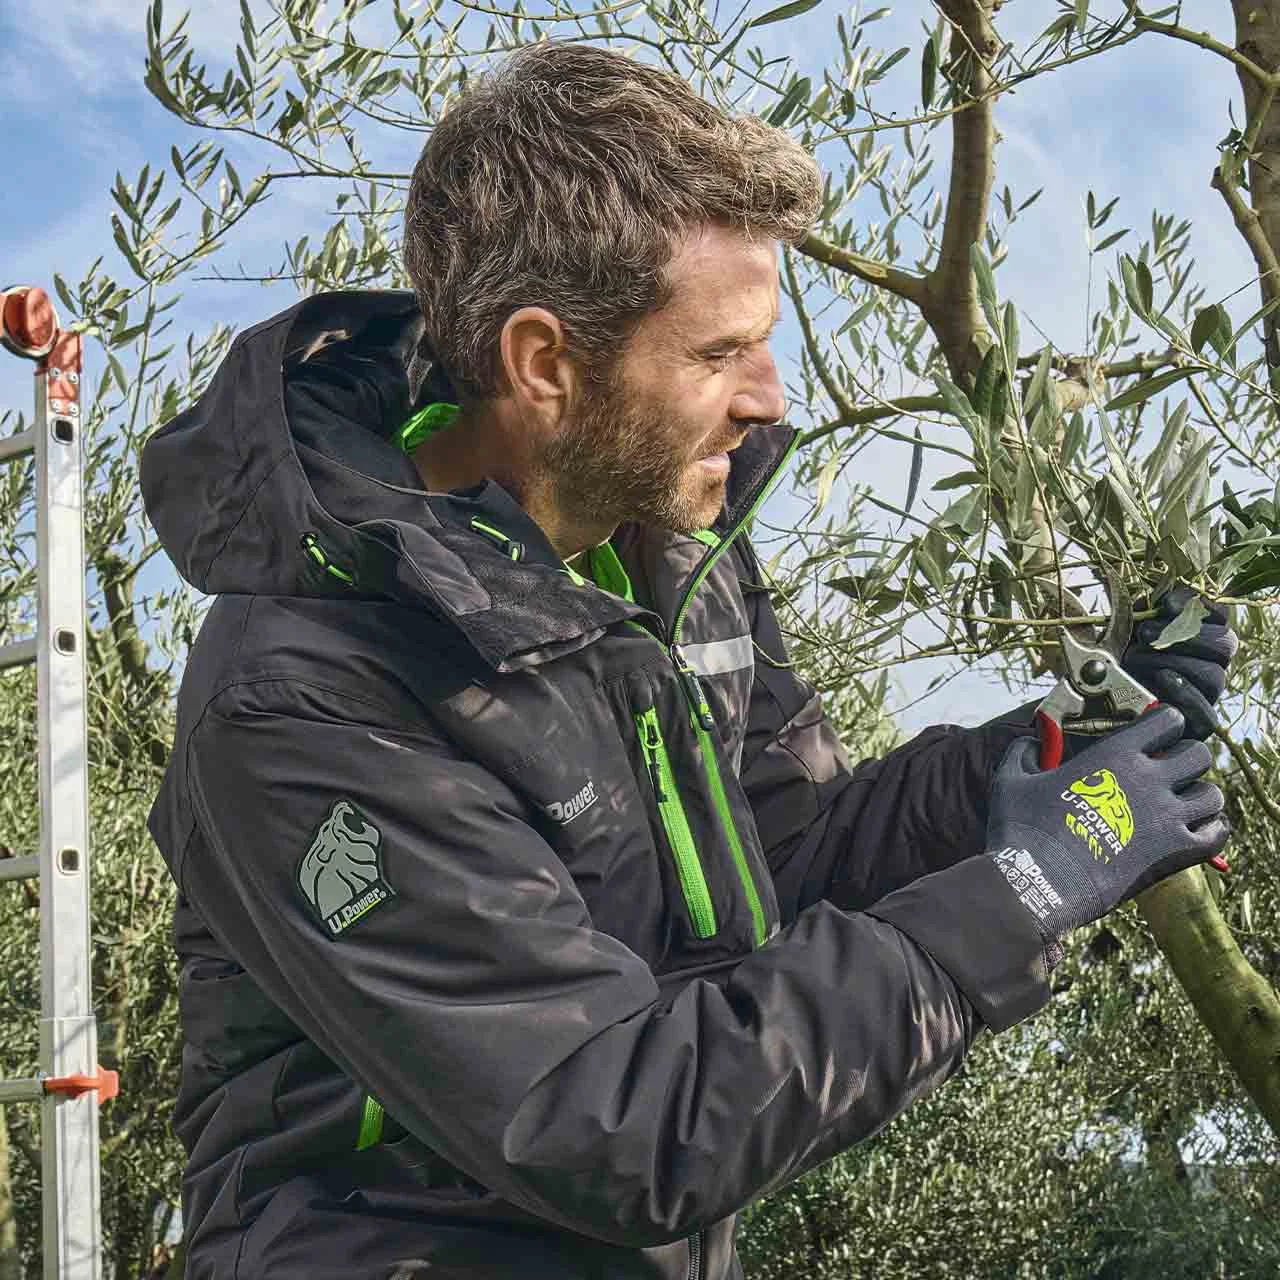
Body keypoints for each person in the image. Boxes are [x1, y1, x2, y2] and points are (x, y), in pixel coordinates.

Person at [140, 40, 1236, 1280]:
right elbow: (609, 1120)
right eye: (718, 354)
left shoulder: (661, 551)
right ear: (544, 364)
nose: (769, 397)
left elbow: (788, 853)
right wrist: (1021, 890)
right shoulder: (307, 689)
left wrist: (1051, 747)